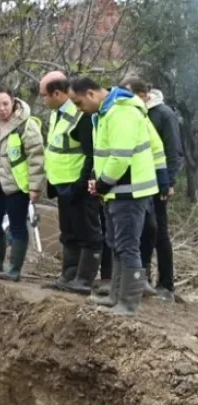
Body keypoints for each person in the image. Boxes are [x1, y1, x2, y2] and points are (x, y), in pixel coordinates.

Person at [68, 77, 166, 316]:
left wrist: (102, 184)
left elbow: (120, 157)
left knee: (127, 246)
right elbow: (105, 154)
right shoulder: (105, 112)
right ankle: (116, 296)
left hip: (129, 191)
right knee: (116, 244)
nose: (79, 109)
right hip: (116, 190)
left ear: (91, 94)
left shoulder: (121, 112)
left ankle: (128, 303)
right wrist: (97, 179)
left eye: (79, 103)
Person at [38, 71, 103, 295]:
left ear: (57, 93)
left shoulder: (81, 116)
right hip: (61, 184)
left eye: (44, 96)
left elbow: (91, 154)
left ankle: (84, 280)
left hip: (78, 185)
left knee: (88, 233)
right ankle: (69, 275)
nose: (42, 101)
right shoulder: (57, 113)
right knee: (69, 232)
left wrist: (81, 182)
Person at [0, 87, 45, 281]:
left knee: (17, 225)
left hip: (17, 184)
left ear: (13, 102)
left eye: (5, 104)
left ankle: (14, 268)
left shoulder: (26, 125)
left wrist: (35, 186)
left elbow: (36, 157)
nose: (1, 108)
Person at [121, 77, 182, 302]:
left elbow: (173, 150)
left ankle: (166, 284)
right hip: (139, 183)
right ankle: (141, 279)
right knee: (143, 230)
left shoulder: (163, 114)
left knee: (159, 231)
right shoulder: (133, 113)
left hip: (158, 182)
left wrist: (170, 181)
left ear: (144, 94)